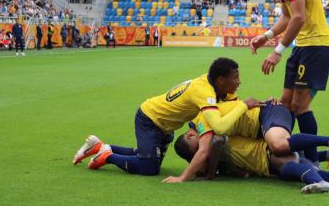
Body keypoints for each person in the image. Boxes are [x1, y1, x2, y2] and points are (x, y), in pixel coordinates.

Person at [72, 58, 264, 183]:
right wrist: (243, 105)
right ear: (221, 80)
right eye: (236, 77)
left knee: (145, 156)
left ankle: (100, 146)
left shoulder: (209, 82)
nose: (239, 82)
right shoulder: (204, 92)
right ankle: (107, 156)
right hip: (150, 119)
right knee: (149, 168)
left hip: (164, 126)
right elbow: (219, 126)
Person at [250, 0, 329, 163]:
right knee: (285, 103)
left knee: (300, 106)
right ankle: (291, 152)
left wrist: (277, 51)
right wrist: (266, 36)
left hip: (316, 46)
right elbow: (287, 16)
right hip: (303, 46)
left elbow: (299, 18)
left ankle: (312, 162)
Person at [176, 133, 329, 194]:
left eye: (198, 151)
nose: (202, 153)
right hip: (267, 161)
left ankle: (322, 175)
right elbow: (238, 169)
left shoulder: (213, 135)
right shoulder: (213, 148)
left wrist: (208, 176)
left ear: (190, 135)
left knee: (291, 169)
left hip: (267, 154)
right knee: (320, 173)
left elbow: (216, 142)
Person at [186, 100, 329, 160]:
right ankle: (328, 155)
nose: (202, 149)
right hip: (263, 124)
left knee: (277, 145)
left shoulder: (201, 122)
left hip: (267, 114)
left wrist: (185, 177)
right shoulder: (202, 123)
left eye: (197, 147)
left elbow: (214, 142)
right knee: (282, 155)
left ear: (191, 134)